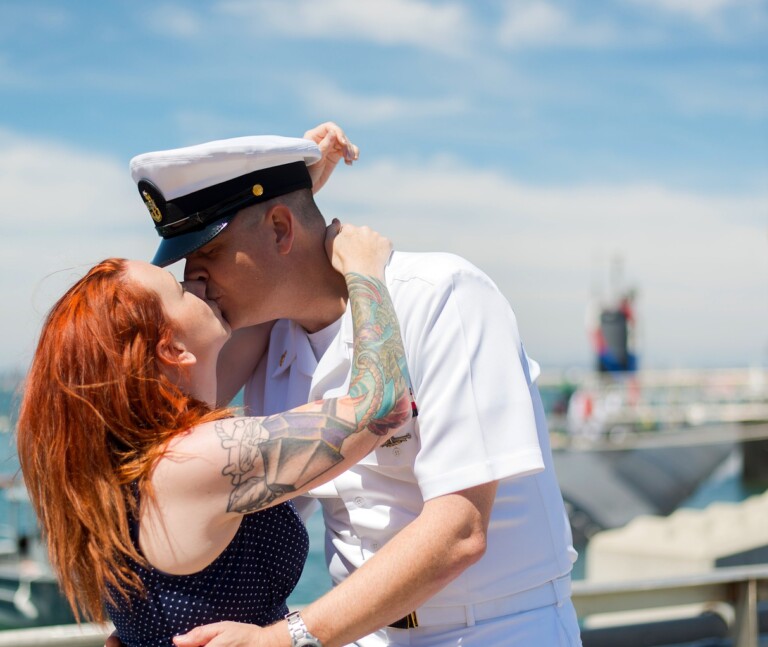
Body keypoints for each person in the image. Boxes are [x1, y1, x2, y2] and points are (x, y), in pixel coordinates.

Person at [121, 124, 582, 647]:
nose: (196, 284)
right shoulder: (265, 341)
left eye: (208, 257)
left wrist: (282, 640)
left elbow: (460, 531)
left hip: (493, 630)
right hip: (353, 634)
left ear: (279, 229)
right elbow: (157, 443)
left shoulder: (440, 296)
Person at [16, 179, 415, 645]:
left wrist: (285, 190)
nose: (198, 280)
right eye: (178, 288)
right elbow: (381, 406)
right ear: (172, 348)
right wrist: (364, 270)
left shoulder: (129, 458)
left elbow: (265, 297)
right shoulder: (195, 461)